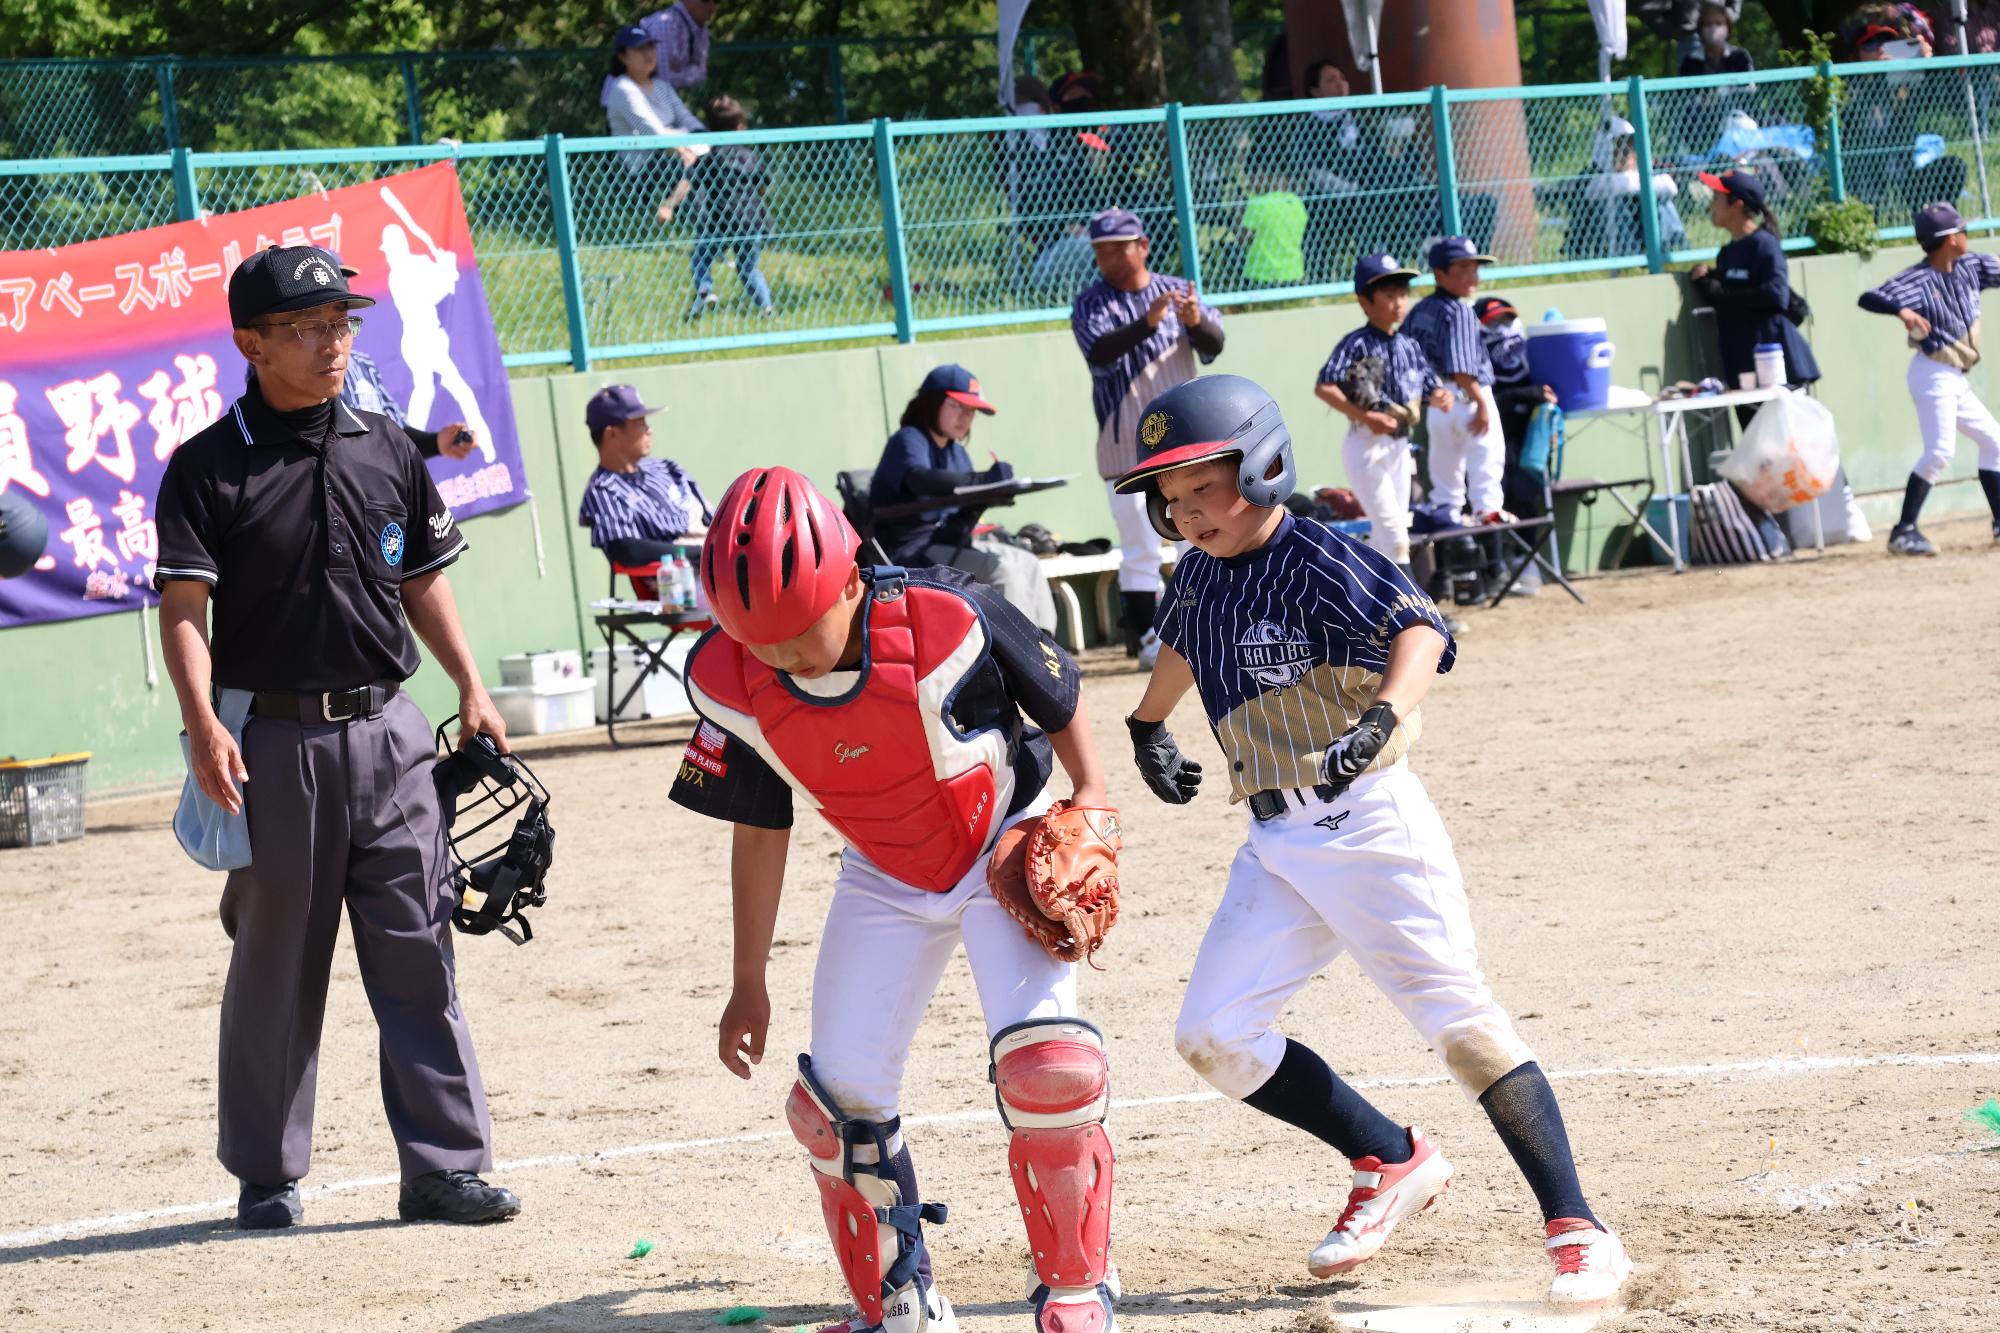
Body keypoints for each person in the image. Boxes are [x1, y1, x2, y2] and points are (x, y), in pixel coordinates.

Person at [1113, 373, 1635, 1308]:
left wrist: (1382, 716)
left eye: (1205, 487)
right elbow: (1187, 639)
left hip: (1370, 825)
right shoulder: (1197, 575)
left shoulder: (1317, 556)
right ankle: (1389, 1159)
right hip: (1275, 838)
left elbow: (1421, 631)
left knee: (1463, 1026)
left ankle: (1579, 1226)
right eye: (1172, 497)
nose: (1188, 512)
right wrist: (1150, 724)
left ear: (1263, 466)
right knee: (1213, 1032)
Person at [672, 466, 1121, 1333]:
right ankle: (901, 1306)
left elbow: (1056, 695)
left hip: (1004, 843)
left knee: (1050, 1068)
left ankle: (1077, 1288)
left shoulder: (947, 614)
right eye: (756, 639)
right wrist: (747, 978)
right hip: (883, 868)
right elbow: (760, 830)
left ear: (847, 579)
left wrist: (1092, 790)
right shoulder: (730, 680)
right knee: (835, 1102)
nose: (781, 656)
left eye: (800, 630)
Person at [152, 246, 519, 1231]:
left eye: (341, 321)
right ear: (252, 342)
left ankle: (442, 1167)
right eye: (309, 325)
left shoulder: (386, 446)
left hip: (392, 735)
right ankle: (267, 1172)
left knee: (419, 950)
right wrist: (199, 728)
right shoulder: (207, 467)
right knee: (275, 961)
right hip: (274, 741)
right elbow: (184, 606)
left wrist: (471, 685)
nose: (332, 339)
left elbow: (422, 579)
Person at [1070, 207, 1224, 662]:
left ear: (1143, 246)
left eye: (1119, 248)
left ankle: (1203, 625)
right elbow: (1099, 351)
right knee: (1140, 543)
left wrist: (1195, 321)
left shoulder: (1175, 289)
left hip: (1187, 443)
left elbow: (1214, 345)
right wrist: (1148, 323)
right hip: (1126, 446)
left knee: (1199, 534)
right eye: (1101, 251)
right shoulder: (1090, 302)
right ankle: (1143, 638)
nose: (1110, 258)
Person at [869, 364, 1058, 632]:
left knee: (1029, 563)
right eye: (957, 406)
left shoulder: (958, 454)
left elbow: (963, 505)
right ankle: (1015, 660)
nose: (966, 417)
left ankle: (1045, 647)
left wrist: (993, 493)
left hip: (950, 542)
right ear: (930, 403)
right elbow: (920, 478)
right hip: (914, 551)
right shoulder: (909, 440)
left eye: (971, 411)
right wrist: (983, 481)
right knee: (1002, 571)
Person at [1858, 200, 2000, 555]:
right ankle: (1904, 531)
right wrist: (1902, 310)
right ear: (1950, 238)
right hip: (1932, 373)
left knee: (1995, 443)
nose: (1967, 234)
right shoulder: (1918, 279)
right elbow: (1869, 297)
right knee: (1940, 452)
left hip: (1954, 376)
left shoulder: (1972, 266)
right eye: (1961, 230)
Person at [1312, 253, 1451, 573]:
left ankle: (1371, 611)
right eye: (1388, 295)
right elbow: (1325, 386)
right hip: (1367, 445)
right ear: (1364, 301)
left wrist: (1440, 396)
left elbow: (1430, 389)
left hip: (1400, 446)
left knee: (1388, 531)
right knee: (1393, 531)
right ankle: (1413, 612)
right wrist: (1366, 416)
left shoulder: (1409, 345)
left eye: (1402, 294)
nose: (1398, 302)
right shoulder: (1356, 343)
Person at [1688, 167, 1821, 426]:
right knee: (1759, 455)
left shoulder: (1764, 244)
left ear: (1737, 205)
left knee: (1792, 454)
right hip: (1742, 366)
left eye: (1717, 198)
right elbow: (1734, 293)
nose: (1712, 205)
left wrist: (1722, 292)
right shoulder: (1727, 253)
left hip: (1776, 367)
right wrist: (1710, 281)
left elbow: (1775, 296)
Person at [577, 384, 712, 570]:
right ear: (612, 433)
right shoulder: (603, 490)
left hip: (720, 556)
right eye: (640, 422)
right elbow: (627, 550)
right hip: (682, 580)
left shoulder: (667, 468)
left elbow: (711, 518)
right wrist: (702, 555)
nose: (649, 430)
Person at [601, 25, 703, 225]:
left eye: (651, 47)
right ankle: (678, 216)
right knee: (701, 168)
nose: (648, 54)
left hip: (680, 152)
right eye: (640, 49)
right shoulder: (623, 89)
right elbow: (654, 133)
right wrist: (684, 147)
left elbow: (688, 120)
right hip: (645, 163)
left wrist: (704, 139)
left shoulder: (662, 87)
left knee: (717, 163)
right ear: (622, 57)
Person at [687, 94, 775, 320]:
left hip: (721, 220)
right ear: (739, 127)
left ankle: (706, 289)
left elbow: (694, 181)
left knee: (701, 257)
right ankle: (766, 306)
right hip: (751, 221)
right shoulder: (751, 157)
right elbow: (763, 185)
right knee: (748, 268)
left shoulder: (710, 159)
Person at [1296, 60, 1368, 283]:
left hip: (1363, 196)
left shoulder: (1360, 117)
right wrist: (1342, 187)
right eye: (1331, 80)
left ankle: (1371, 278)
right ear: (1315, 91)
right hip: (1324, 199)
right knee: (1319, 239)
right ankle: (1319, 282)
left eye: (1342, 79)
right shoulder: (1307, 124)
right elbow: (1309, 167)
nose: (1340, 85)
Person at [1237, 155, 1307, 288]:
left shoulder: (1258, 203)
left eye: (1252, 179)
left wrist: (1238, 216)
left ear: (1262, 176)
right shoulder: (1296, 202)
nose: (1252, 185)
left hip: (1260, 276)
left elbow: (1243, 239)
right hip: (1293, 273)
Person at [639, 0, 715, 92]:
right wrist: (692, 70)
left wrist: (680, 71)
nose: (712, 6)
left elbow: (702, 75)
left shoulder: (701, 31)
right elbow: (664, 81)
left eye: (716, 1)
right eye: (705, 1)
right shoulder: (665, 23)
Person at [1678, 3, 1755, 75]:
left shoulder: (1740, 57)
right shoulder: (1690, 61)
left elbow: (1750, 86)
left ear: (1728, 28)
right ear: (1701, 29)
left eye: (1719, 23)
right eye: (1708, 24)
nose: (1713, 28)